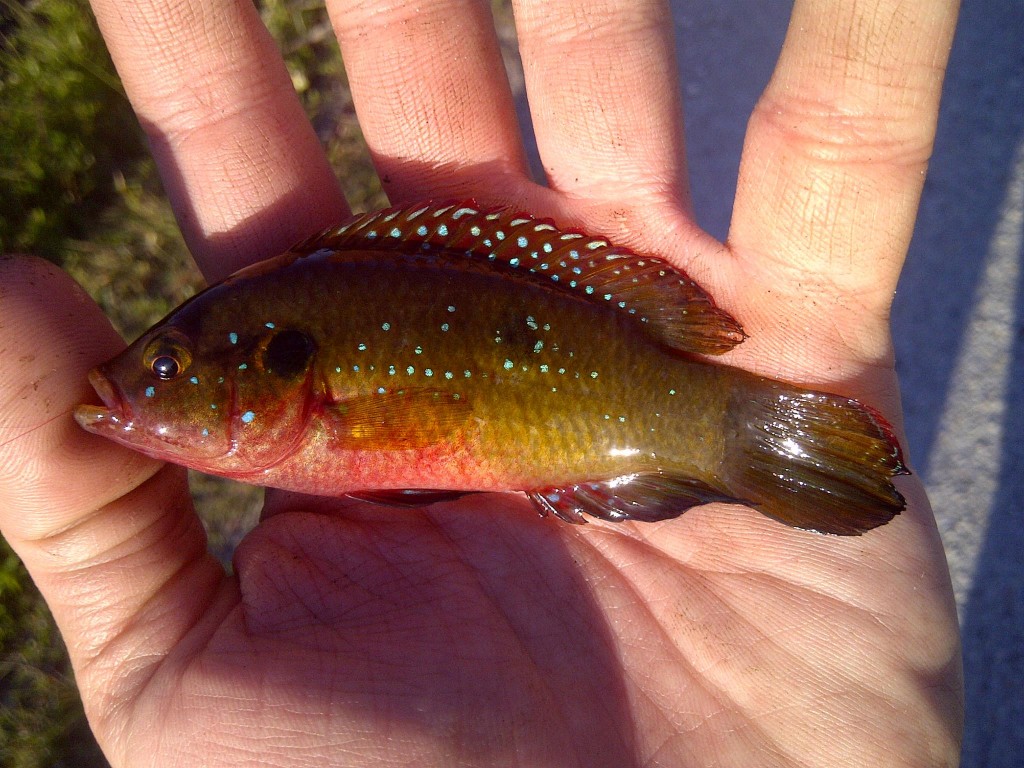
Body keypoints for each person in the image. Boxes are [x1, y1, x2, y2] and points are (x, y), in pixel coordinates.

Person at [0, 0, 964, 765]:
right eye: (159, 368)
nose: (139, 385)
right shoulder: (284, 328)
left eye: (169, 368)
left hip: (617, 373)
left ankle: (737, 435)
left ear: (275, 372)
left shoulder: (296, 352)